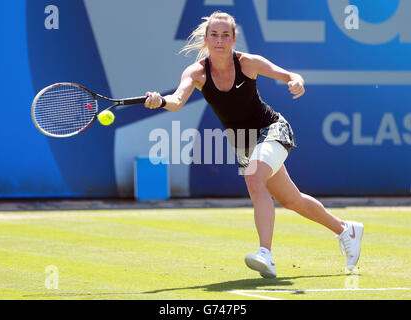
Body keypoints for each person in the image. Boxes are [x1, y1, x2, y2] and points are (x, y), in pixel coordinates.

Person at [144, 11, 363, 278]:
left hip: (272, 129)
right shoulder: (197, 73)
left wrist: (296, 82)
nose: (220, 40)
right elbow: (177, 101)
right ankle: (345, 230)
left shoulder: (248, 63)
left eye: (226, 35)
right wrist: (160, 100)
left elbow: (290, 75)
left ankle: (266, 254)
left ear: (234, 38)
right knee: (291, 200)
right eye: (214, 34)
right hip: (244, 142)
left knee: (254, 177)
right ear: (206, 38)